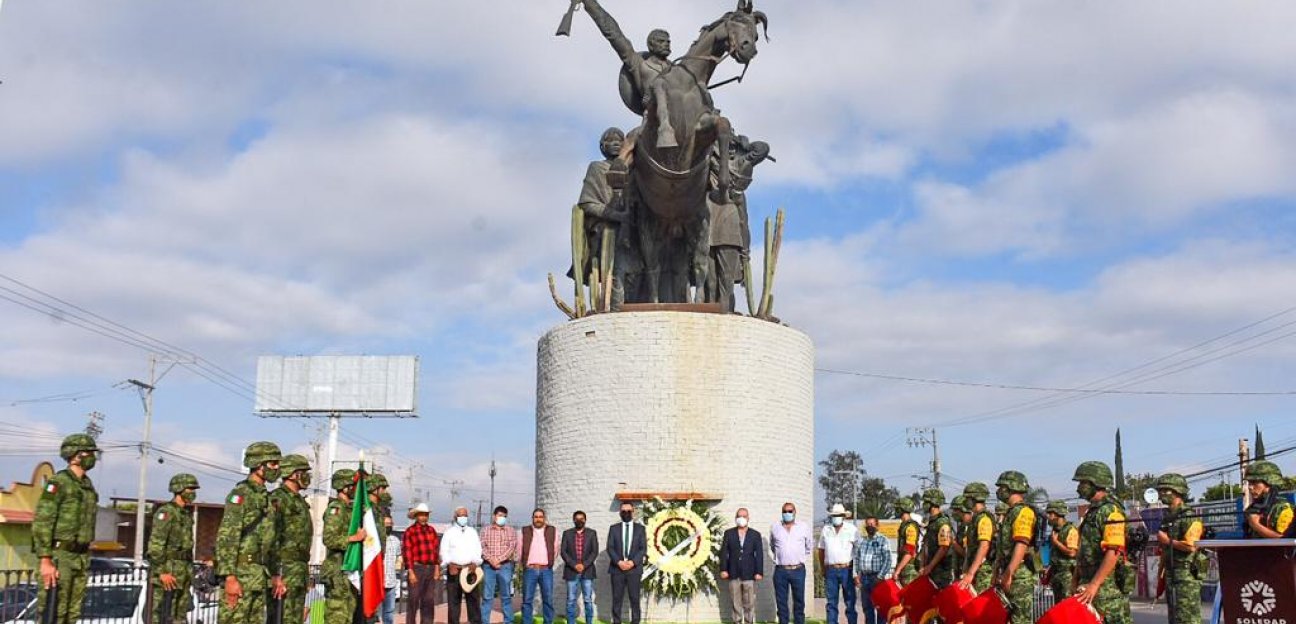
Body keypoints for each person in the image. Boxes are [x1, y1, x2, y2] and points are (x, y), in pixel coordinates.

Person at [580, 0, 678, 147]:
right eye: (661, 41)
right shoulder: (638, 63)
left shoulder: (675, 68)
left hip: (680, 114)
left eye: (668, 41)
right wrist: (590, 4)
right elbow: (613, 34)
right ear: (651, 45)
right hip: (652, 117)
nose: (667, 44)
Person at [33, 434, 100, 624]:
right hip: (60, 555)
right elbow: (43, 521)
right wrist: (45, 560)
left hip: (80, 557)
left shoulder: (87, 486)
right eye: (89, 453)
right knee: (53, 612)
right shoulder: (59, 482)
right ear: (75, 455)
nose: (93, 457)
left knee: (72, 614)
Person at [217, 441, 282, 624]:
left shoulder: (266, 498)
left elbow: (271, 540)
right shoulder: (240, 495)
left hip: (259, 576)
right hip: (240, 575)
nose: (277, 468)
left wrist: (275, 574)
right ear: (258, 464)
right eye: (273, 463)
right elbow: (227, 537)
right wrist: (229, 577)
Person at [1073, 461, 1131, 624]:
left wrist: (1094, 584)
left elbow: (1113, 551)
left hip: (1105, 589)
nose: (1078, 488)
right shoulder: (1093, 511)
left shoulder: (1111, 511)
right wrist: (1076, 579)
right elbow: (1083, 551)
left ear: (1095, 482)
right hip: (1088, 585)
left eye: (1082, 483)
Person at [148, 473, 199, 624]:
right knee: (163, 614)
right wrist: (162, 571)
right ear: (179, 489)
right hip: (169, 571)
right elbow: (156, 544)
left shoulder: (186, 514)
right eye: (189, 489)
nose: (193, 493)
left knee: (180, 616)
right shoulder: (166, 512)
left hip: (184, 570)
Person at [269, 454, 313, 624]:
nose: (307, 477)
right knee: (281, 617)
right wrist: (275, 573)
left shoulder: (299, 501)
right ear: (294, 474)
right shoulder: (279, 498)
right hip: (284, 568)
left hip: (298, 569)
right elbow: (271, 537)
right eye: (304, 472)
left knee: (295, 618)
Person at [1156, 474, 1204, 624]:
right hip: (1172, 574)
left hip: (1185, 576)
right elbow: (1164, 550)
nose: (1161, 494)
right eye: (1161, 490)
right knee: (1175, 618)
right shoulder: (1168, 517)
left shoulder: (1189, 516)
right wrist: (1161, 575)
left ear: (1176, 491)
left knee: (1187, 618)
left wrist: (1168, 540)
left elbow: (1191, 546)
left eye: (1166, 490)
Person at [992, 471, 1038, 624]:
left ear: (1011, 488)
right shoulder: (1010, 513)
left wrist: (1009, 573)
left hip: (1019, 577)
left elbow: (1021, 544)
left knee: (1020, 620)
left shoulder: (1023, 512)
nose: (999, 491)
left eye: (1002, 487)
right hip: (1007, 574)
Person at [770, 501, 812, 624]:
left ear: (794, 512)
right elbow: (773, 546)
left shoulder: (803, 527)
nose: (787, 513)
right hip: (780, 570)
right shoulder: (775, 527)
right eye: (785, 511)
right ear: (781, 513)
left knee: (799, 601)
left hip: (798, 570)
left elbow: (808, 547)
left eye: (790, 511)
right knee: (781, 602)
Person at [720, 508, 764, 624]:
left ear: (748, 518)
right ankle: (737, 622)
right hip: (733, 573)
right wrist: (723, 569)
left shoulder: (755, 534)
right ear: (736, 518)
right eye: (739, 516)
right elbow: (724, 552)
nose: (742, 518)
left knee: (749, 603)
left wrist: (759, 572)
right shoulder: (729, 533)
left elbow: (759, 554)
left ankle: (749, 621)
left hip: (749, 574)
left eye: (744, 516)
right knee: (735, 603)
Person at [441, 506, 483, 624]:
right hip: (455, 571)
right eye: (460, 515)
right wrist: (449, 564)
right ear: (455, 517)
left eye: (465, 515)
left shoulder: (472, 532)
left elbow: (478, 550)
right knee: (454, 602)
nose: (463, 518)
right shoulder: (449, 533)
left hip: (470, 570)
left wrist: (475, 562)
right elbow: (444, 551)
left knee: (473, 602)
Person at [606, 501, 646, 624]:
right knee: (617, 598)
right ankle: (616, 622)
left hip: (634, 569)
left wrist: (632, 562)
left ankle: (635, 621)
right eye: (623, 511)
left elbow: (643, 548)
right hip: (617, 569)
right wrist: (619, 562)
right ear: (620, 513)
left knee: (634, 598)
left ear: (633, 512)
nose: (626, 513)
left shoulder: (640, 529)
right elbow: (610, 547)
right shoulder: (613, 528)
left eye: (629, 511)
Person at [819, 503, 858, 624]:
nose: (836, 517)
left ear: (843, 516)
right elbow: (821, 549)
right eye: (834, 515)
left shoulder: (852, 529)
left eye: (839, 515)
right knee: (831, 602)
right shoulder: (826, 529)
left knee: (850, 601)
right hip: (831, 570)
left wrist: (856, 572)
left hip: (847, 569)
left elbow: (858, 551)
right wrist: (823, 568)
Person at [520, 508, 560, 624]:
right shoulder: (524, 531)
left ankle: (548, 622)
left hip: (546, 570)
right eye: (536, 517)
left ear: (544, 518)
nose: (538, 519)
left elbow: (555, 549)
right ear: (532, 518)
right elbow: (519, 549)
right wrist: (526, 564)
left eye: (540, 517)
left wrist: (548, 561)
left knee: (547, 599)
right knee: (527, 600)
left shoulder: (552, 531)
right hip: (530, 569)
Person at [403, 503, 440, 624]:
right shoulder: (410, 531)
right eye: (421, 515)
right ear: (416, 516)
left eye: (426, 515)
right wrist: (410, 572)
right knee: (413, 600)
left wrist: (437, 569)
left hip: (430, 568)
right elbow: (407, 552)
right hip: (417, 568)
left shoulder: (431, 530)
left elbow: (435, 551)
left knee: (429, 601)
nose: (424, 517)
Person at [480, 505, 518, 624]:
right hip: (488, 567)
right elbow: (481, 547)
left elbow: (511, 547)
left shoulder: (510, 530)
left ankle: (508, 621)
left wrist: (499, 560)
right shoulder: (485, 530)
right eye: (500, 515)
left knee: (506, 596)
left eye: (504, 516)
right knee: (487, 596)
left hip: (505, 566)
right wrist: (491, 560)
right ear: (494, 516)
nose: (502, 518)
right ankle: (485, 621)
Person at [561, 510, 599, 624]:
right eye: (577, 519)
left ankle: (589, 622)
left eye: (582, 519)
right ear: (573, 520)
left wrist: (584, 565)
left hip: (587, 571)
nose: (579, 521)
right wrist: (574, 565)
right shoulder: (567, 533)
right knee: (571, 600)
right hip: (571, 571)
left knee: (587, 600)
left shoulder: (592, 533)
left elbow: (594, 551)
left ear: (585, 520)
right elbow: (563, 552)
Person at [853, 516, 892, 624]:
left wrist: (880, 576)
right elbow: (857, 559)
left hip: (877, 578)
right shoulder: (862, 541)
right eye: (868, 524)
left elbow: (887, 560)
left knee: (880, 607)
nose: (870, 527)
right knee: (867, 608)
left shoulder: (883, 540)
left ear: (877, 525)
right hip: (864, 578)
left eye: (872, 524)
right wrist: (856, 575)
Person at [1243, 460, 1293, 538]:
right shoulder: (1253, 509)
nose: (1250, 487)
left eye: (1255, 482)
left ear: (1269, 483)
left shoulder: (1283, 510)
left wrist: (1256, 525)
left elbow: (1285, 542)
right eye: (1249, 483)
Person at [917, 489, 955, 589]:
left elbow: (944, 547)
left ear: (933, 503)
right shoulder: (932, 522)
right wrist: (922, 566)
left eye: (926, 502)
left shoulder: (942, 522)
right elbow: (926, 546)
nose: (924, 504)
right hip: (931, 571)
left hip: (941, 572)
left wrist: (930, 566)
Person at [1045, 501, 1078, 606]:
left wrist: (1056, 543)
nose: (1048, 517)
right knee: (1058, 606)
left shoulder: (1071, 530)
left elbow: (1072, 553)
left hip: (1067, 576)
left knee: (1067, 605)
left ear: (1057, 514)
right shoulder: (1055, 531)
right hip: (1057, 574)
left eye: (1050, 514)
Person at [893, 499, 921, 586]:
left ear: (902, 509)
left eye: (897, 508)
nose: (895, 511)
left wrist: (898, 570)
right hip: (904, 568)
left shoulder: (910, 527)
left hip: (910, 571)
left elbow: (909, 552)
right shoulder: (904, 525)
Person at [381, 516, 401, 624]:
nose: (388, 526)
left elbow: (398, 557)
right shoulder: (375, 539)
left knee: (389, 611)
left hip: (391, 581)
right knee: (372, 611)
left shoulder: (396, 541)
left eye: (390, 523)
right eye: (385, 524)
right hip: (377, 581)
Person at [948, 495, 968, 578]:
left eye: (956, 510)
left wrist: (952, 542)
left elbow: (966, 554)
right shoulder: (962, 527)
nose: (954, 513)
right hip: (959, 569)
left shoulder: (968, 528)